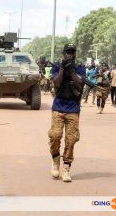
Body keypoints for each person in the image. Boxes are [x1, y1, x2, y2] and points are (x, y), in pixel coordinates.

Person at [48, 44, 85, 182]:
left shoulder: (80, 67)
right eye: (67, 52)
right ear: (63, 53)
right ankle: (56, 159)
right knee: (55, 135)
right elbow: (57, 83)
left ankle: (66, 168)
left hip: (73, 108)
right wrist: (63, 68)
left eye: (72, 52)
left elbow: (80, 85)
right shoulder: (57, 66)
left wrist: (72, 71)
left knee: (71, 140)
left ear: (75, 54)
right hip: (58, 106)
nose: (70, 54)